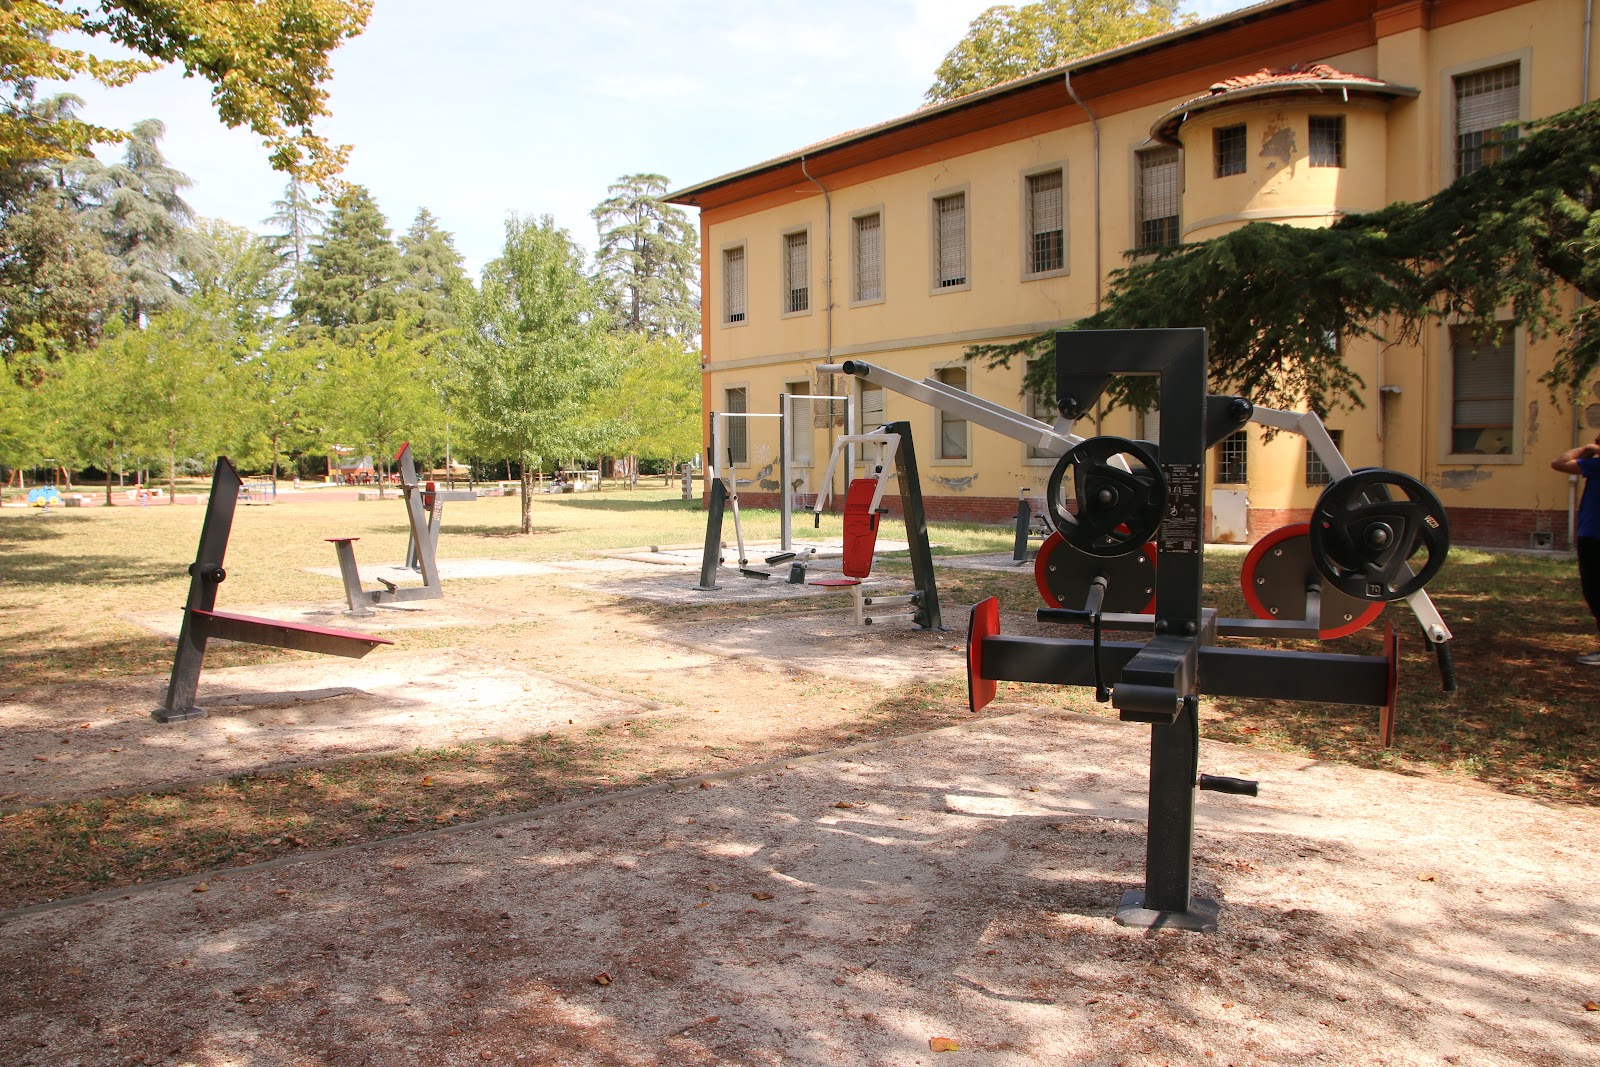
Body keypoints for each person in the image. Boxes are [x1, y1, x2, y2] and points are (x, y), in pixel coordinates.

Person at [1551, 433, 1600, 664]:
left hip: (1594, 537)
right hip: (1591, 535)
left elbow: (1559, 463)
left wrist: (1586, 449)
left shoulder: (1595, 465)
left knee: (1595, 591)